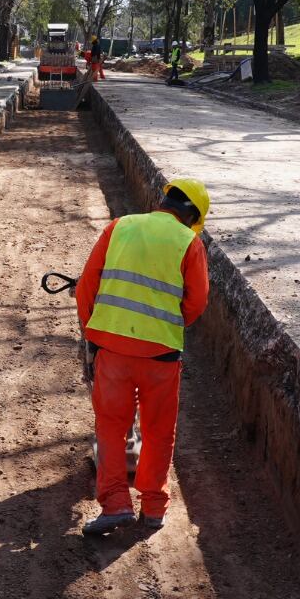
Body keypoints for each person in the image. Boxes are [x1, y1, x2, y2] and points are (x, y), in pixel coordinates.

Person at [74, 178, 211, 536]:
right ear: (192, 217)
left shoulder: (119, 227)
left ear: (164, 201)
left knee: (110, 428)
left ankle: (116, 504)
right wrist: (164, 325)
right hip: (161, 357)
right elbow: (196, 303)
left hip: (113, 352)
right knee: (158, 431)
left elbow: (87, 285)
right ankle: (153, 508)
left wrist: (94, 332)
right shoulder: (189, 243)